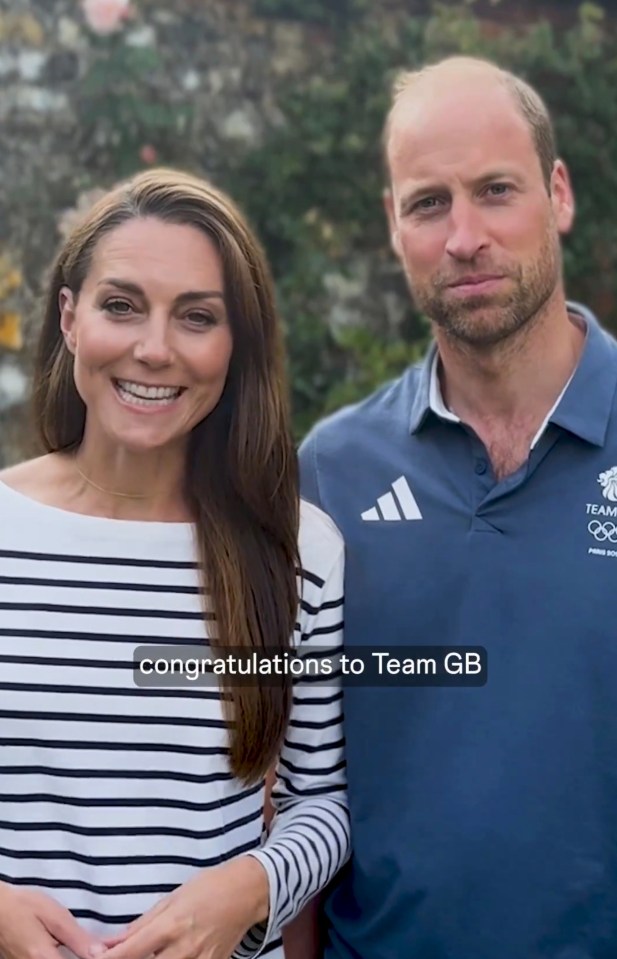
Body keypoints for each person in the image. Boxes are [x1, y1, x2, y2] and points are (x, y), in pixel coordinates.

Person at [299, 55, 617, 958]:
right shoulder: (329, 473)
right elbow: (288, 781)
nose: (463, 235)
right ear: (392, 226)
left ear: (557, 194)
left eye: (495, 190)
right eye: (428, 202)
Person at [0, 167, 349, 959]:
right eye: (121, 305)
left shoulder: (300, 550)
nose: (153, 350)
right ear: (69, 317)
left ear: (236, 345)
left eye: (197, 317)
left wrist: (247, 888)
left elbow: (321, 799)